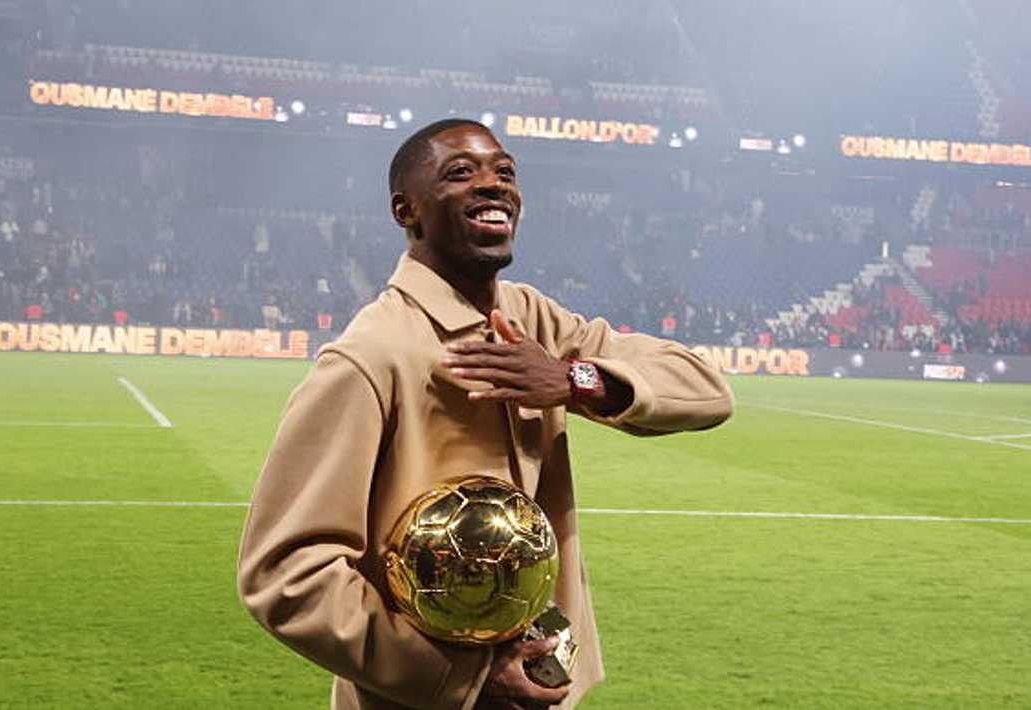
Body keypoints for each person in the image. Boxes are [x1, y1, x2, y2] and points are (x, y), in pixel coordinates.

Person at [237, 119, 734, 710]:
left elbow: (707, 389)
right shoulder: (370, 357)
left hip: (540, 688)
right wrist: (462, 678)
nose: (494, 185)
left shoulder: (534, 321)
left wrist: (574, 380)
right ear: (406, 209)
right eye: (460, 173)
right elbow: (286, 574)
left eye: (505, 172)